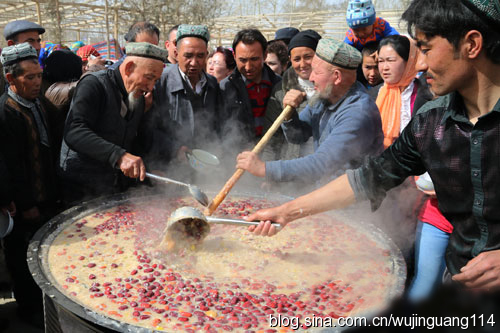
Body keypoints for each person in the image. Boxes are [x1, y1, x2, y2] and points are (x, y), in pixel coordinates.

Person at [245, 0, 500, 295]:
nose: (419, 64)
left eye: (426, 49)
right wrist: (287, 212)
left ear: (471, 44)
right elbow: (369, 178)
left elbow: (324, 162)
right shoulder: (431, 121)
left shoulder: (359, 109)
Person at [237, 38, 383, 187]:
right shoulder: (324, 98)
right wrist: (290, 114)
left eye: (317, 72)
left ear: (337, 77)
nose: (311, 77)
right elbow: (297, 136)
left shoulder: (357, 113)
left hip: (354, 201)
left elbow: (321, 163)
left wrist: (265, 169)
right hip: (327, 192)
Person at [59, 42, 167, 204]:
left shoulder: (137, 97)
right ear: (129, 67)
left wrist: (147, 170)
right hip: (81, 186)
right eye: (149, 78)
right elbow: (74, 130)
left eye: (155, 80)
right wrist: (119, 155)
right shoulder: (94, 84)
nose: (150, 87)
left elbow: (132, 140)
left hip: (112, 185)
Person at [0, 43, 60, 327]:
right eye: (30, 77)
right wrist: (24, 204)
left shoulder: (41, 103)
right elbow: (7, 166)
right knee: (22, 259)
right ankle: (28, 311)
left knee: (45, 255)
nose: (38, 82)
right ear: (11, 79)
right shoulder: (4, 112)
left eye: (39, 76)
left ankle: (46, 307)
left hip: (47, 196)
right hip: (22, 204)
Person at [144, 25, 222, 169]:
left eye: (200, 56)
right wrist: (174, 149)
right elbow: (148, 128)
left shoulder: (212, 84)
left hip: (203, 166)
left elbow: (217, 125)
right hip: (168, 165)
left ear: (207, 54)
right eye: (188, 56)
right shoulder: (160, 81)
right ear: (176, 53)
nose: (194, 62)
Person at [262, 29, 322, 163]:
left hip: (325, 167)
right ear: (290, 60)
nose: (302, 64)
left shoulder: (333, 87)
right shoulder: (281, 91)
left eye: (308, 57)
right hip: (293, 167)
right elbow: (272, 139)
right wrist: (268, 172)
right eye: (296, 59)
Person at [220, 28, 281, 150]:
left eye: (254, 59)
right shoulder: (225, 88)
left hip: (273, 154)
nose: (248, 67)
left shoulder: (279, 85)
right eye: (242, 60)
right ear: (234, 56)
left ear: (264, 55)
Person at [376, 35, 434, 148]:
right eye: (380, 61)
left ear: (409, 61)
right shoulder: (374, 95)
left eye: (390, 60)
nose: (384, 67)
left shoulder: (428, 93)